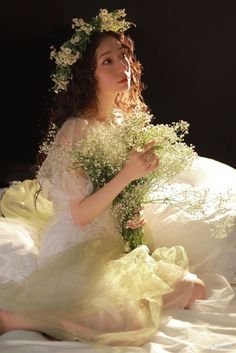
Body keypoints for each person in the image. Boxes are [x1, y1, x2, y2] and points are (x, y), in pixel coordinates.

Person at [0, 8, 235, 347]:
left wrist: (131, 214)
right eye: (106, 61)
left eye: (123, 56)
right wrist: (127, 175)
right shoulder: (75, 130)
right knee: (127, 316)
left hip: (112, 239)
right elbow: (79, 214)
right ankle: (19, 319)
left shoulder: (123, 121)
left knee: (193, 287)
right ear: (87, 74)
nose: (121, 66)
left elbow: (122, 192)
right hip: (77, 245)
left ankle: (77, 312)